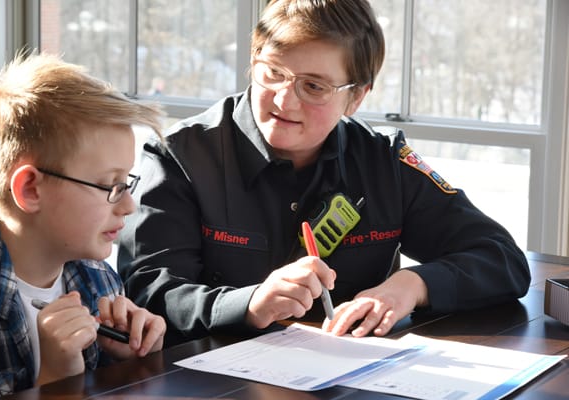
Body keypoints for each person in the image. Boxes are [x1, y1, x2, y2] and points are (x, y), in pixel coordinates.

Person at [118, 0, 530, 345]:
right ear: (252, 60)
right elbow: (148, 293)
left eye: (313, 87)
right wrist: (250, 303)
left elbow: (502, 260)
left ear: (356, 97)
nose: (285, 100)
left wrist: (410, 286)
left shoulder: (382, 161)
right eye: (273, 72)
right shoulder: (180, 157)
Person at [0, 52, 167, 398]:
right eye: (110, 186)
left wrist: (128, 364)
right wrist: (55, 383)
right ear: (31, 189)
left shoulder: (99, 278)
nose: (128, 205)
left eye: (127, 183)